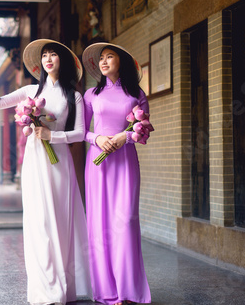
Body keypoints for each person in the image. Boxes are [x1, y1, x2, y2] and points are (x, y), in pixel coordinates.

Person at [0, 39, 92, 305]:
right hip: (34, 162)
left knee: (60, 224)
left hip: (59, 164)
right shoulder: (31, 90)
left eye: (53, 54)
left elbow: (81, 133)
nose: (48, 59)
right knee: (39, 223)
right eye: (45, 55)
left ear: (62, 60)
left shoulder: (73, 96)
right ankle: (45, 289)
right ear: (39, 62)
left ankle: (64, 287)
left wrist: (53, 136)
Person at [81, 42, 151, 305]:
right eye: (101, 59)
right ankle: (107, 292)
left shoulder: (136, 94)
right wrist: (97, 139)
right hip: (98, 164)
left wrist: (125, 136)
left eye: (110, 57)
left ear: (121, 61)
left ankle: (128, 291)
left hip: (125, 162)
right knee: (99, 224)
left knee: (126, 222)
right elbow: (82, 131)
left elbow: (142, 128)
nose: (104, 61)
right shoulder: (91, 95)